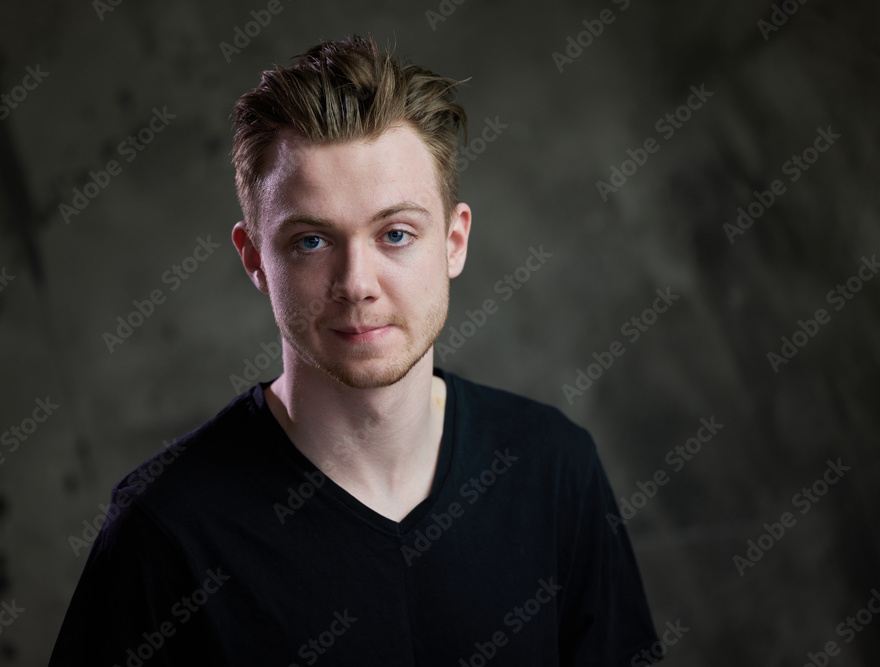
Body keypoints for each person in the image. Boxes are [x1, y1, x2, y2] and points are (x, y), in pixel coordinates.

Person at [48, 34, 662, 666]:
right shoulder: (166, 530)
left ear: (453, 242)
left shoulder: (553, 470)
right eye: (312, 241)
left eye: (396, 233)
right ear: (255, 258)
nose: (357, 285)